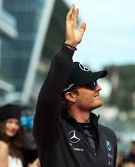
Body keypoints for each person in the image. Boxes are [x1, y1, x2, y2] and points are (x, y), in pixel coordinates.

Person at [32, 4, 117, 167]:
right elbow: (47, 101)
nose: (98, 88)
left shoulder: (109, 136)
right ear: (70, 95)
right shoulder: (52, 131)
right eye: (91, 84)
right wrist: (68, 48)